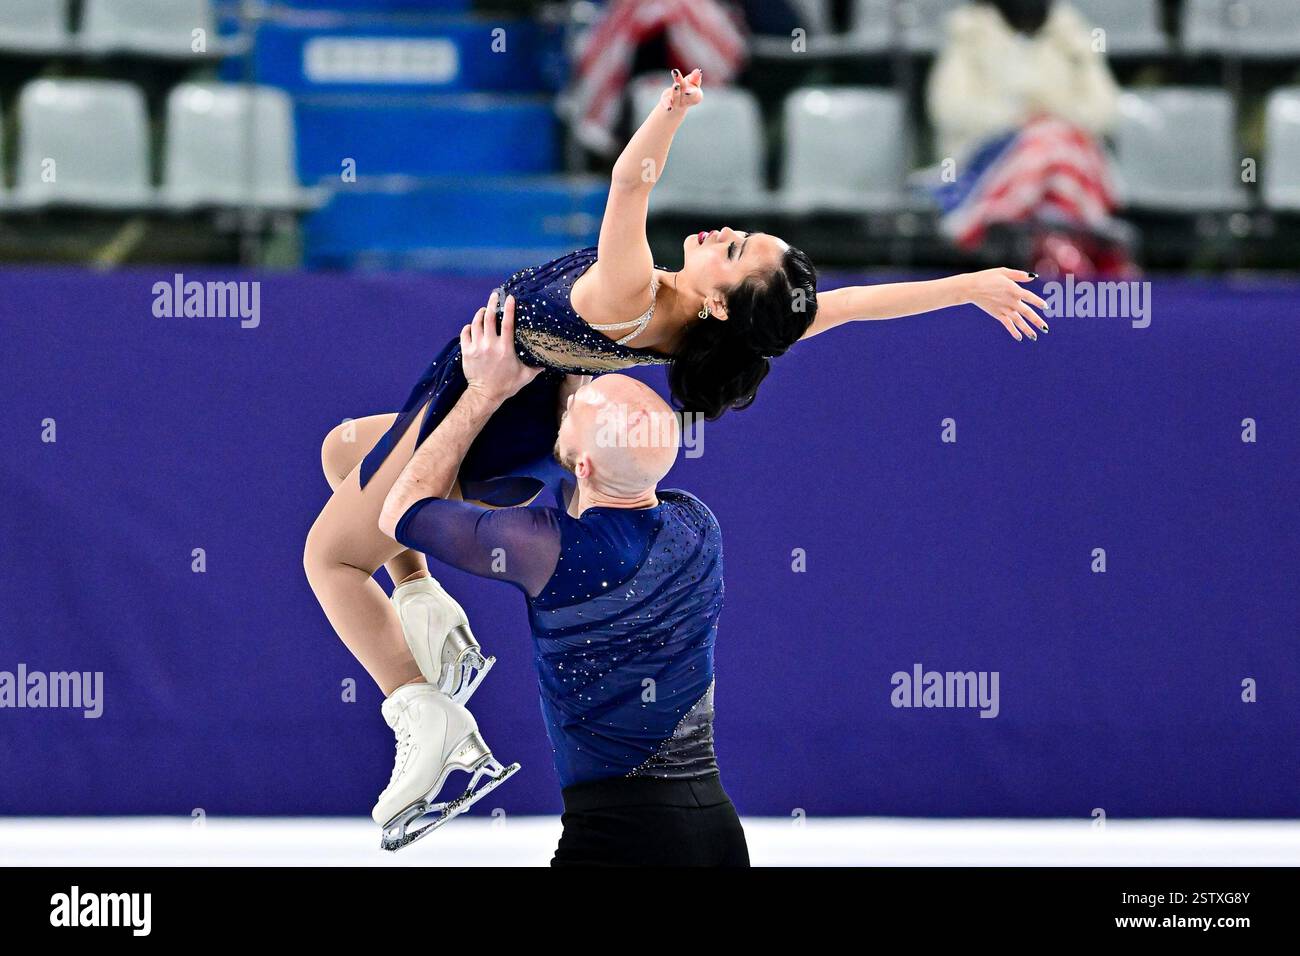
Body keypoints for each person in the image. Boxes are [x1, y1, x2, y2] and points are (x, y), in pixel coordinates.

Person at [303, 66, 1049, 830]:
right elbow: (849, 308)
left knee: (328, 558)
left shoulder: (627, 295)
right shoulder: (709, 327)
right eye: (743, 235)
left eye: (734, 251)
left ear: (720, 298)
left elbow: (629, 183)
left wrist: (671, 111)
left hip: (483, 404)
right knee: (344, 450)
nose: (725, 233)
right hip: (521, 415)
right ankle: (428, 608)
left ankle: (424, 716)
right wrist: (964, 287)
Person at [373, 291, 746, 866]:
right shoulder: (697, 525)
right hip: (717, 831)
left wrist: (483, 394)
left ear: (586, 464)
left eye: (578, 410)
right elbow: (598, 486)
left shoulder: (548, 547)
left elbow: (400, 511)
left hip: (620, 840)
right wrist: (577, 357)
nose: (569, 407)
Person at [926, 0, 1133, 277]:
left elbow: (1105, 111)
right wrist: (1017, 118)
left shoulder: (1074, 34)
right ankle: (1063, 247)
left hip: (1066, 153)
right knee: (1043, 141)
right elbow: (949, 110)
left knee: (1052, 139)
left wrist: (1051, 112)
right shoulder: (967, 33)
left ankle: (1050, 243)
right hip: (992, 160)